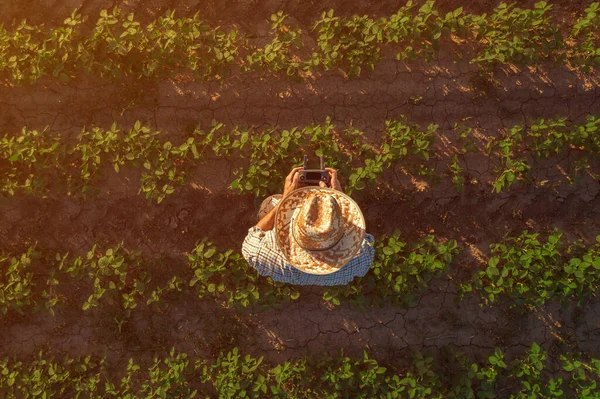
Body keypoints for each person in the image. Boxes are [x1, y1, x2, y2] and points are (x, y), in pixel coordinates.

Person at [241, 167, 375, 285]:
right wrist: (338, 199)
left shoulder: (262, 254)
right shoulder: (360, 260)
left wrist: (284, 199)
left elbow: (252, 236)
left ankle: (280, 205)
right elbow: (363, 238)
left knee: (269, 204)